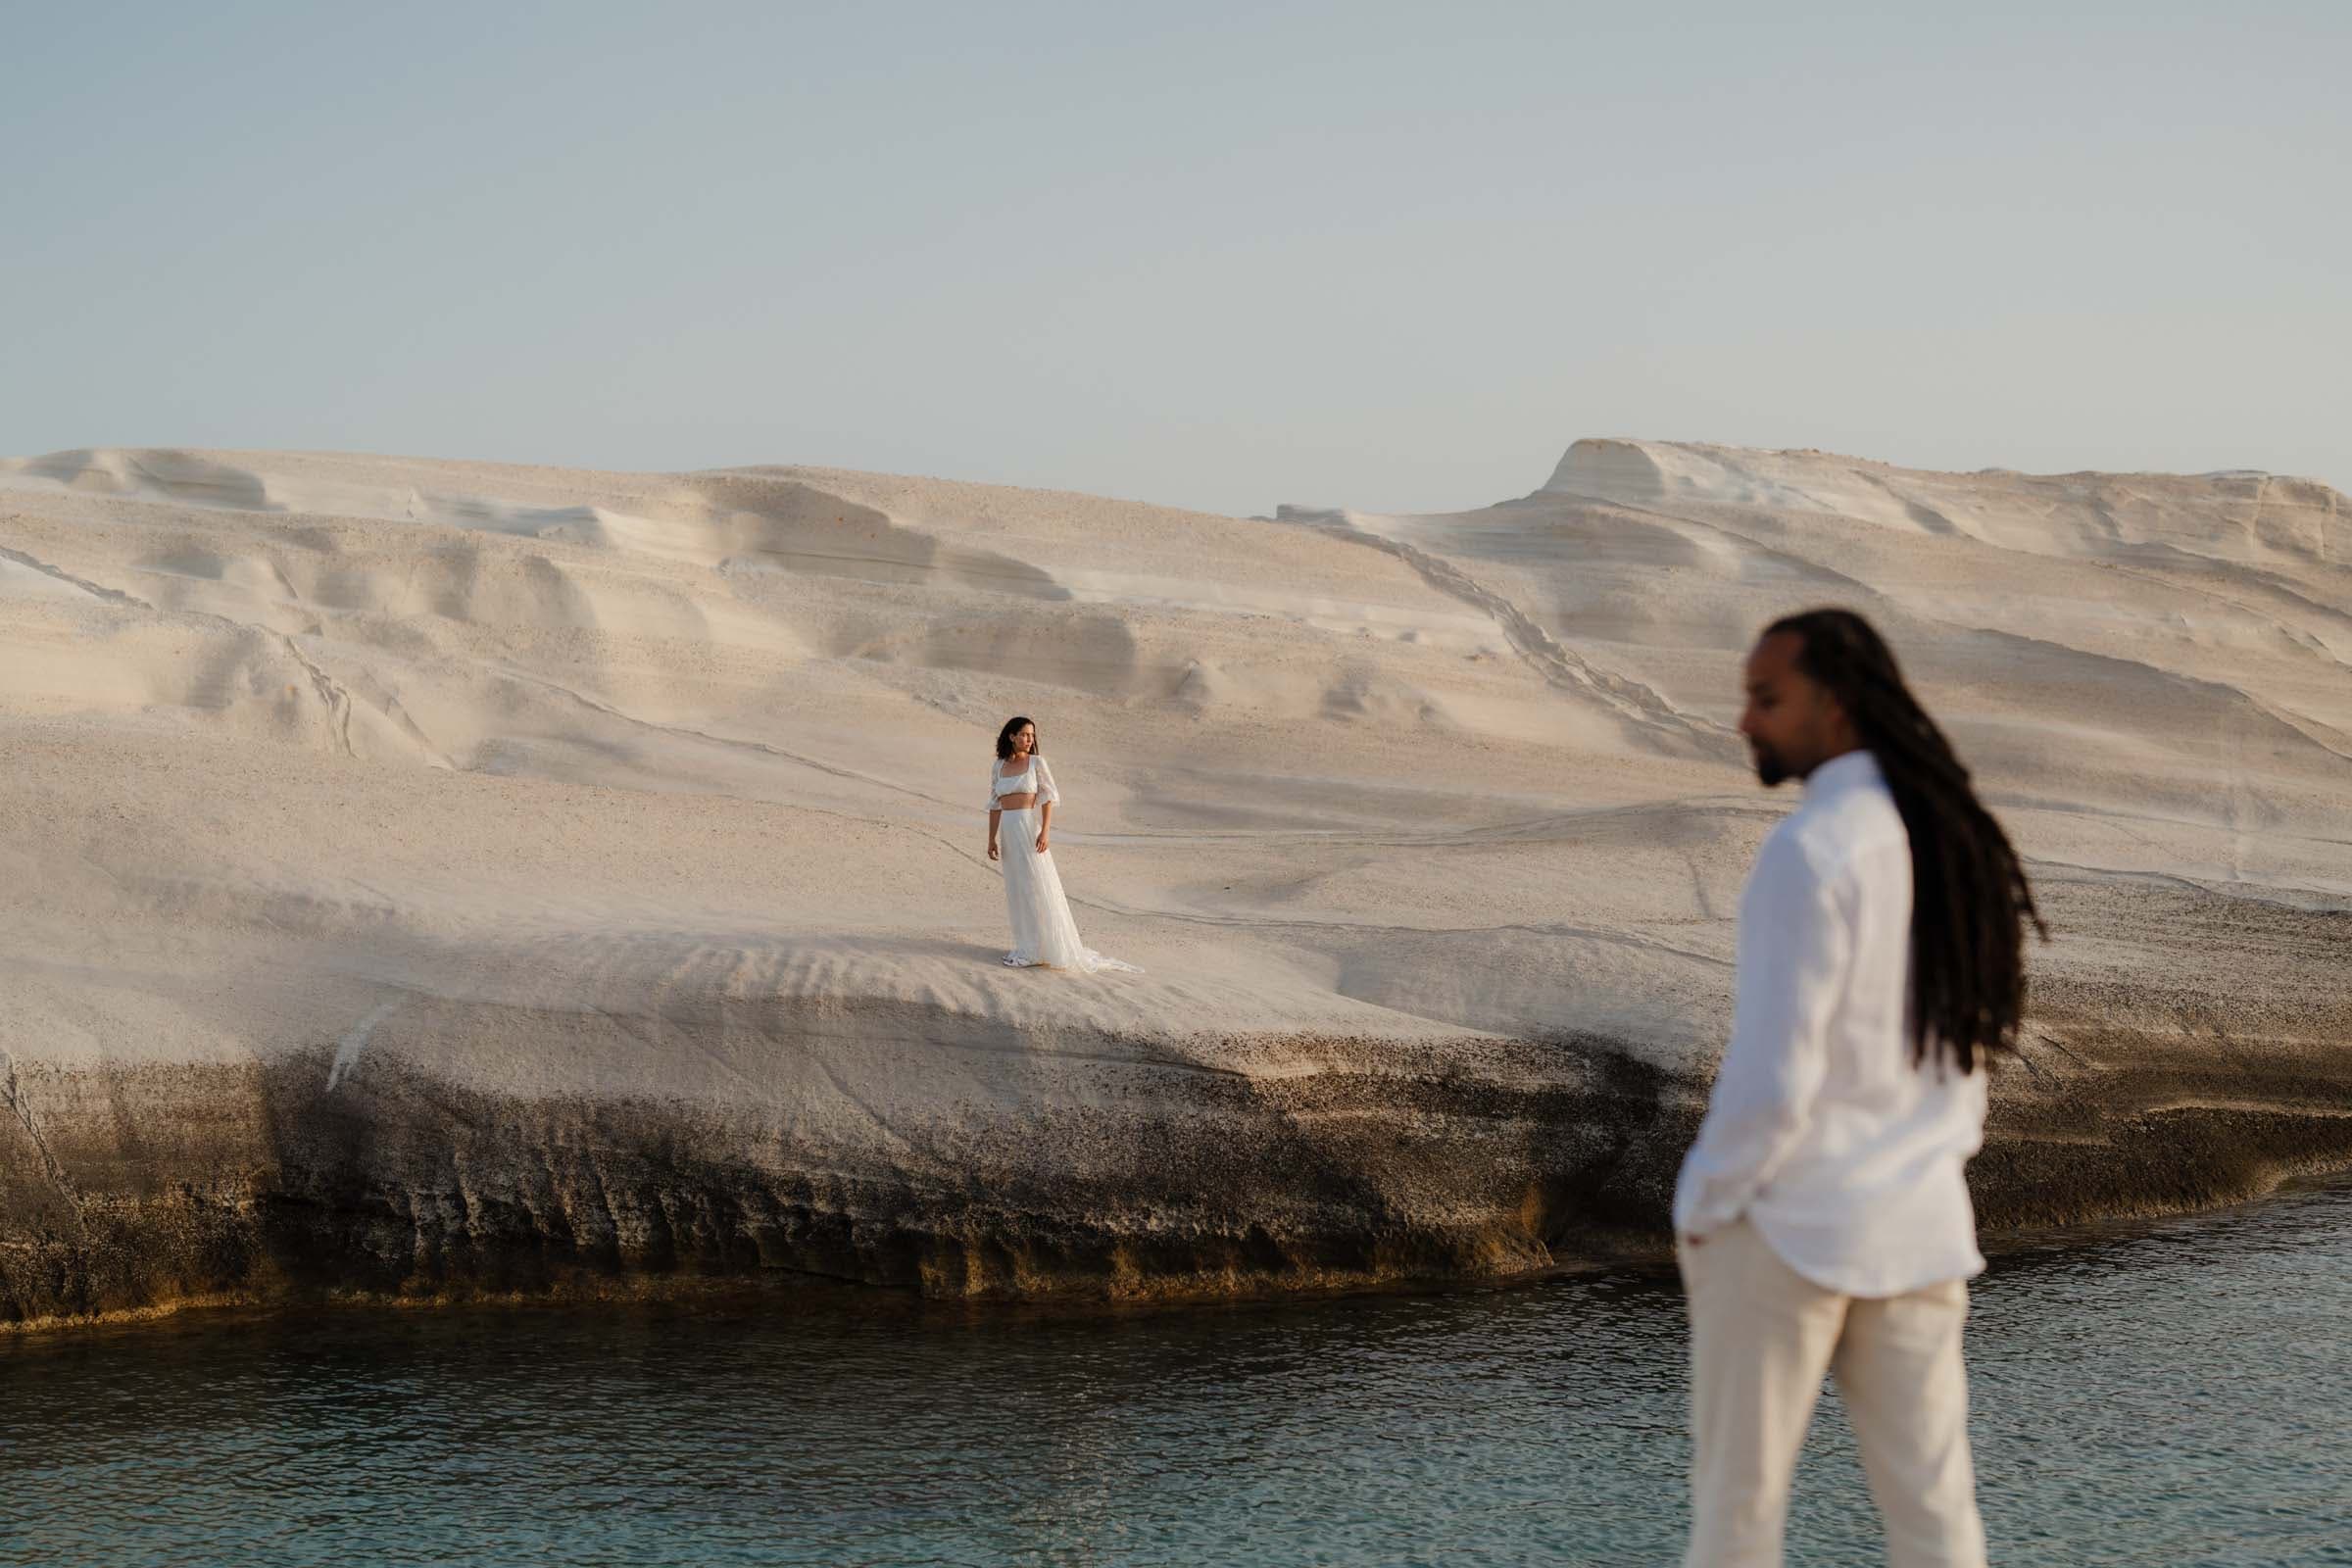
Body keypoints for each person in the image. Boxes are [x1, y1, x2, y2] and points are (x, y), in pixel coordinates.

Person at [1674, 609, 2044, 1568]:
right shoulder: (1952, 842)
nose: (1746, 721)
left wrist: (1703, 1205)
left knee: (1737, 1521)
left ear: (1833, 706)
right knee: (1936, 1522)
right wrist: (1932, 1162)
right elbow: (1969, 1053)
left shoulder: (1810, 850)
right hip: (1918, 1226)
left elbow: (1774, 1078)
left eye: (1766, 698)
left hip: (1787, 1231)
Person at [985, 716, 1139, 973]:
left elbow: (1048, 798)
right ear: (1011, 736)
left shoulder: (1036, 763)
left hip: (1028, 828)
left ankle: (1045, 948)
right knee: (1017, 888)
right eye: (1024, 734)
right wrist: (991, 838)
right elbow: (994, 804)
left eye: (1032, 735)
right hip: (1008, 832)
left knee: (1037, 884)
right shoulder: (998, 766)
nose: (1029, 739)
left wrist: (1045, 831)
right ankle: (1027, 945)